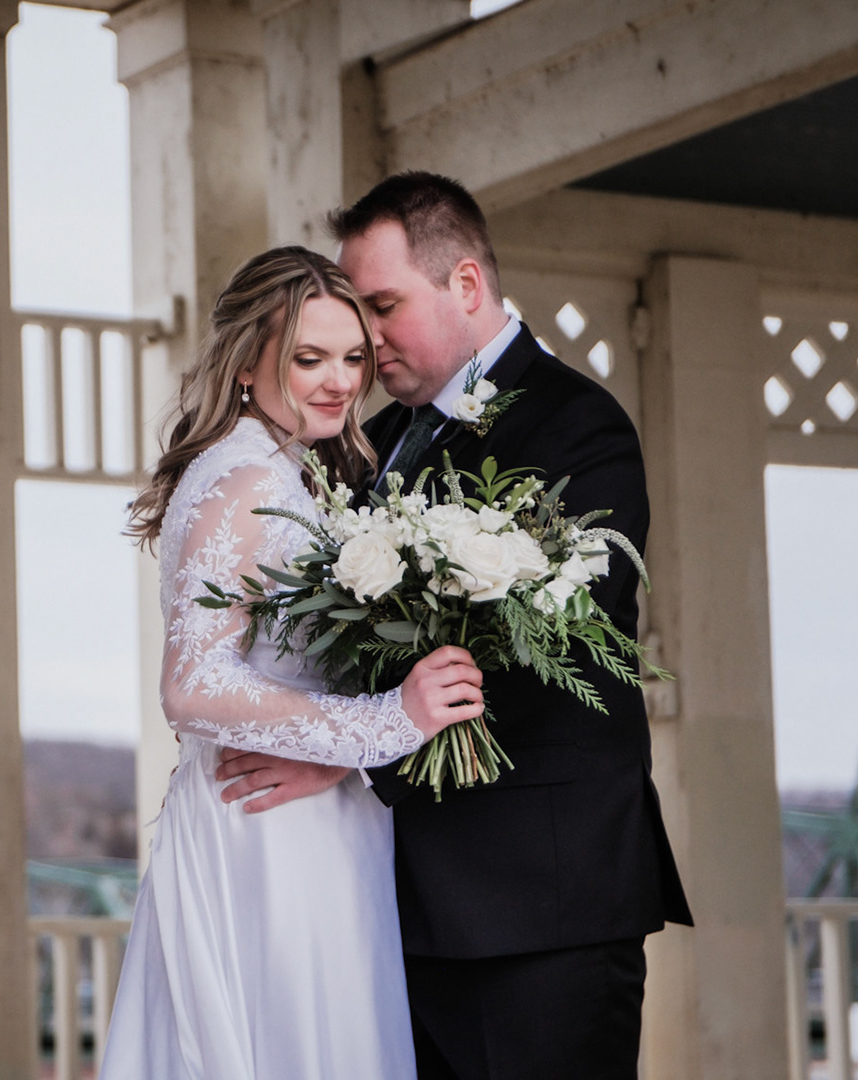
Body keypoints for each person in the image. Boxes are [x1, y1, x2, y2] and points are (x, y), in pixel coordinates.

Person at [215, 173, 694, 1079]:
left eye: (383, 306)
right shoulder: (376, 438)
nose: (365, 338)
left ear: (465, 284)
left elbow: (546, 644)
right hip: (395, 904)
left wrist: (347, 752)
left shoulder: (579, 426)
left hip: (538, 906)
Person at [98, 246, 486, 1080]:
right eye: (308, 359)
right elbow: (192, 686)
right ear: (247, 363)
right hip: (265, 830)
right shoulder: (244, 478)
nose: (339, 382)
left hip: (310, 814)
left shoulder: (289, 467)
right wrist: (387, 722)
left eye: (352, 357)